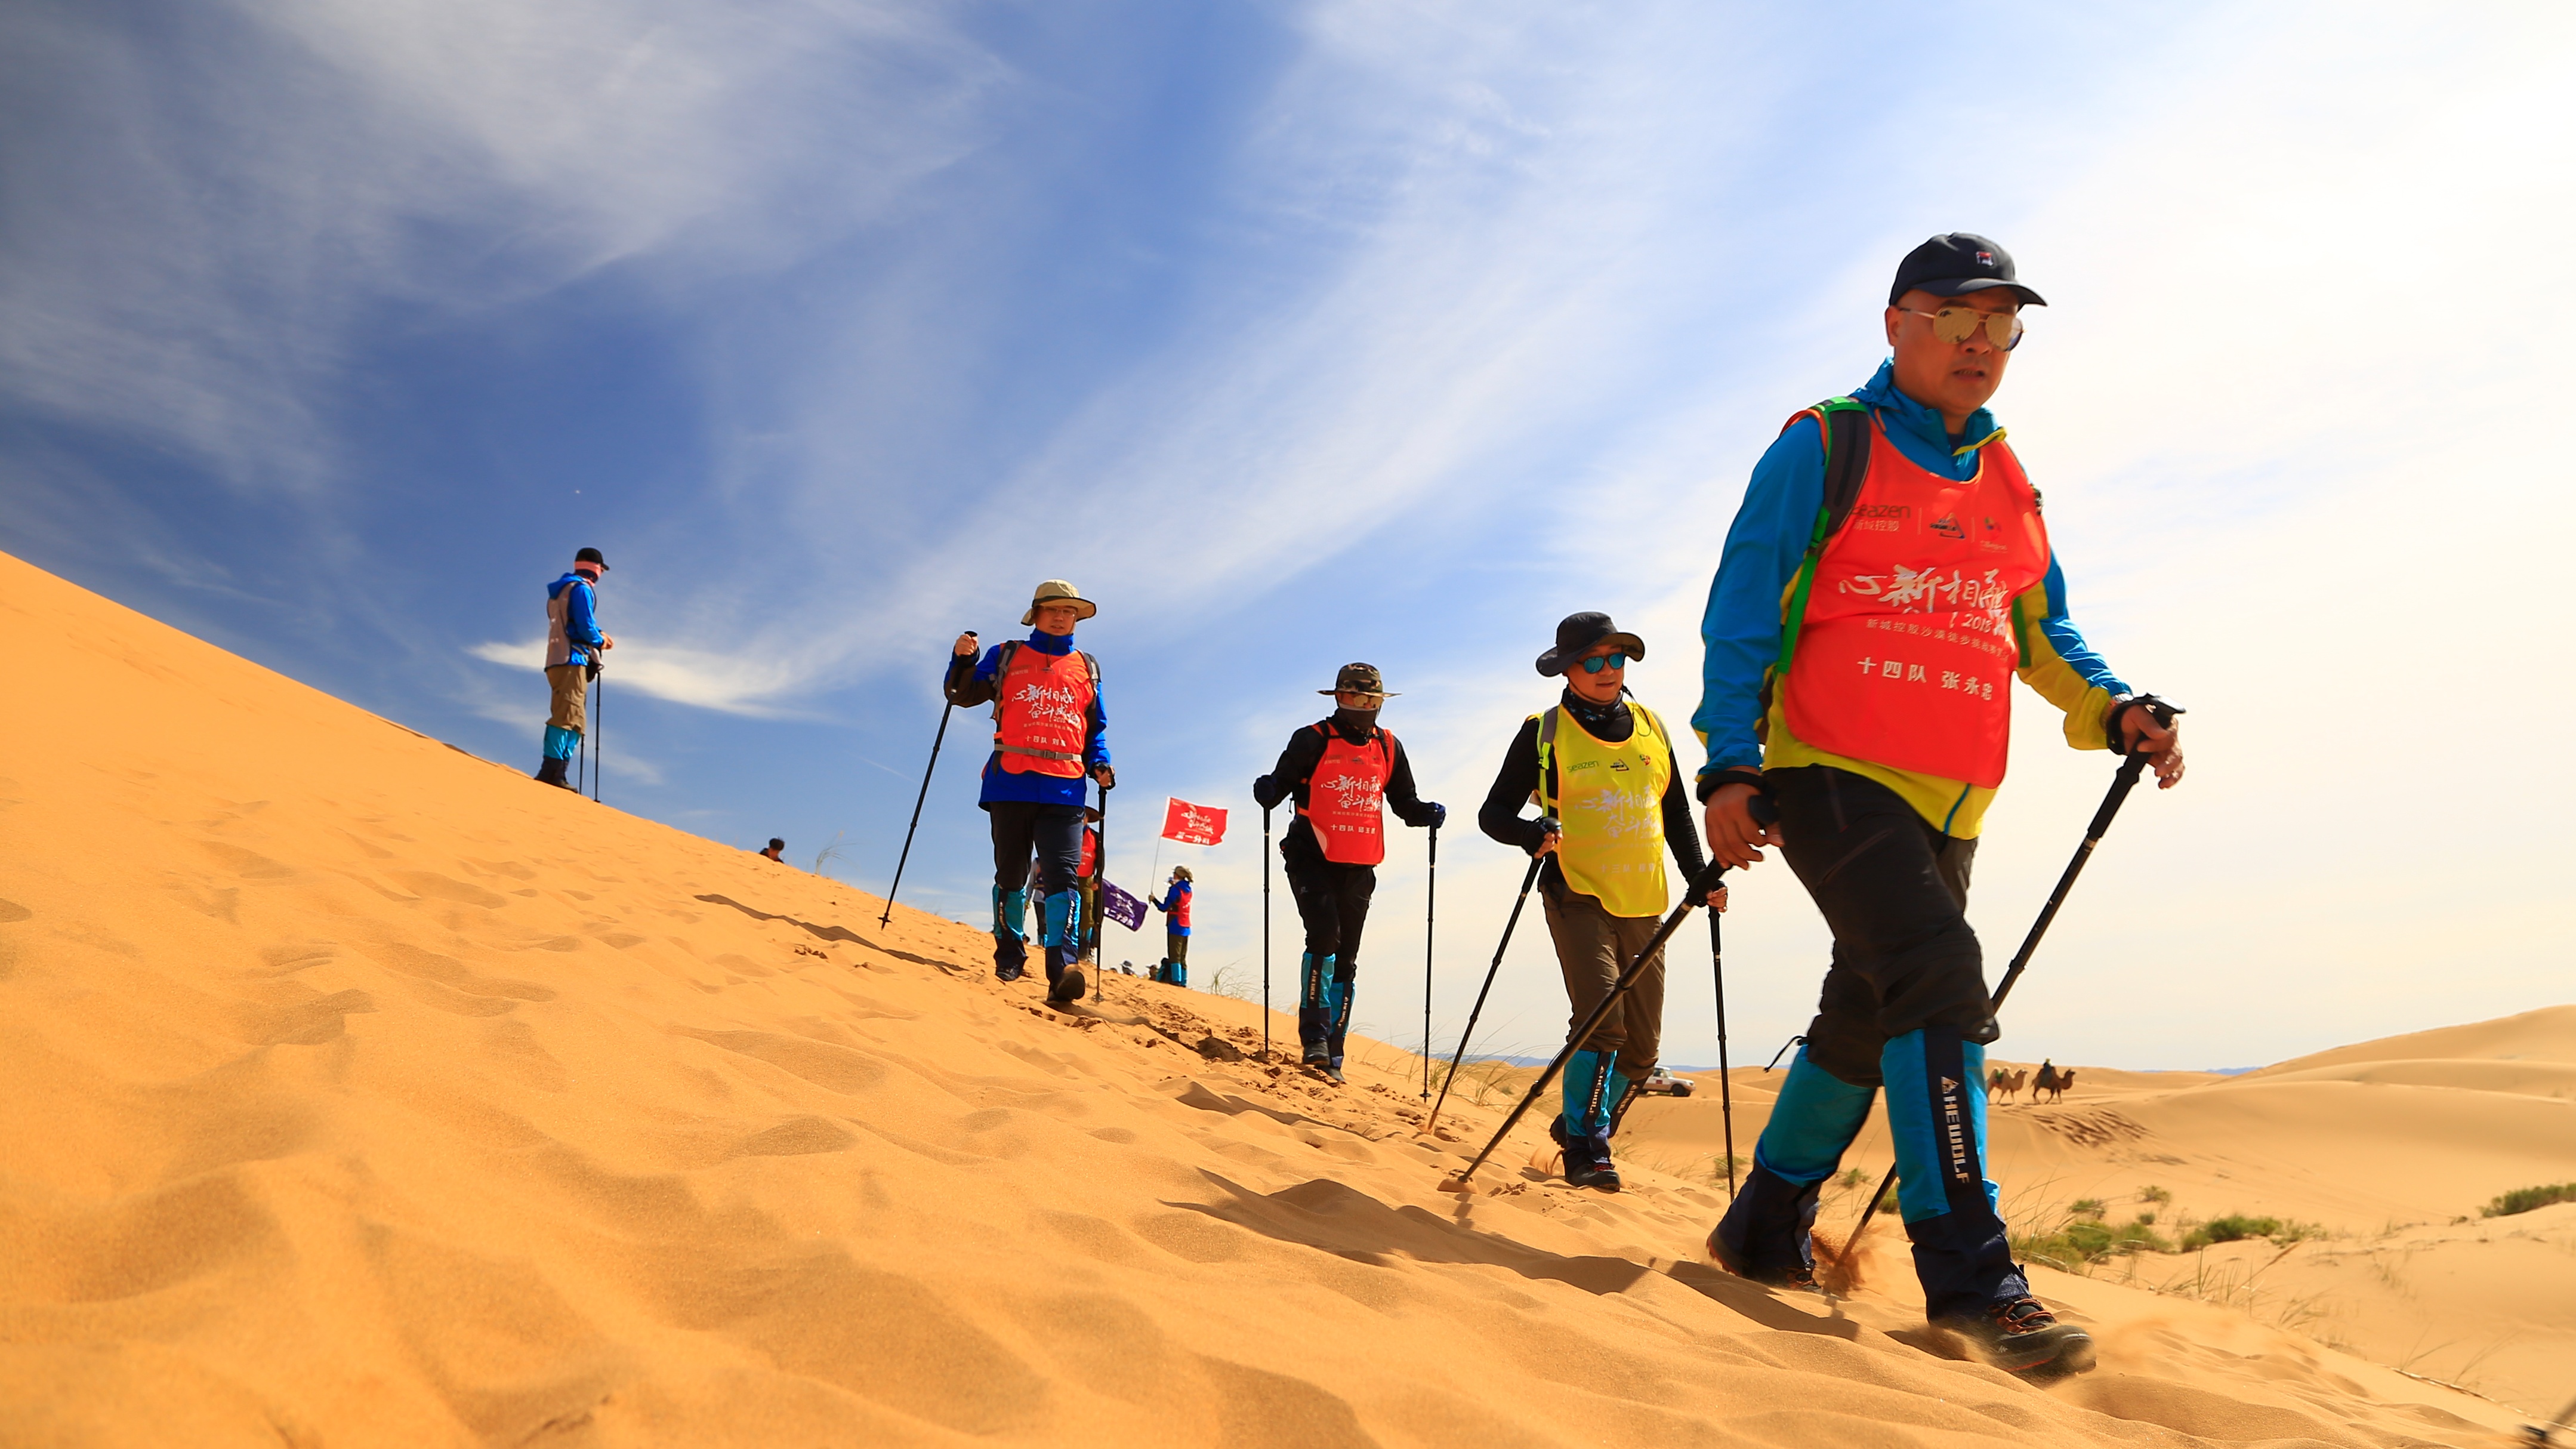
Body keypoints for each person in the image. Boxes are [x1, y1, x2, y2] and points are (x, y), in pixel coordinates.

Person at [1693, 233, 2183, 1376]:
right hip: (1828, 768)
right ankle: (1974, 1280)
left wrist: (2112, 705)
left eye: (2001, 325)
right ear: (1894, 323)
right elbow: (1742, 605)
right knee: (1939, 981)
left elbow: (2039, 628)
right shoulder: (1825, 444)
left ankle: (1764, 1222)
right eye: (1955, 317)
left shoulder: (2010, 480)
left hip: (1953, 800)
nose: (1979, 342)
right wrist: (1727, 761)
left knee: (1868, 1014)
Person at [1477, 612, 1724, 1192]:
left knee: (1642, 1051)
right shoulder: (1544, 732)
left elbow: (1676, 813)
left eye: (1617, 658)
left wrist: (1700, 877)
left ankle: (1578, 1119)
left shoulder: (1652, 728)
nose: (1609, 669)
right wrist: (1529, 832)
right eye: (1594, 660)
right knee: (1601, 1023)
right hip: (1576, 893)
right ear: (1567, 669)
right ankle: (1588, 1148)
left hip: (1645, 901)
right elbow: (1494, 815)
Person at [1251, 664, 1444, 1082]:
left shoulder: (1389, 747)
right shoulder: (1312, 739)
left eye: (1374, 700)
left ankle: (1333, 1053)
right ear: (1340, 698)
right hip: (1310, 854)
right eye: (1359, 698)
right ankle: (1314, 1039)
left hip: (1359, 864)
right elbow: (1279, 784)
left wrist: (1426, 813)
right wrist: (1266, 789)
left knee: (1347, 959)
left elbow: (1404, 803)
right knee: (1324, 936)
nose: (1368, 706)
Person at [945, 580, 1115, 1003]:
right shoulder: (1006, 654)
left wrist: (1101, 762)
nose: (1062, 617)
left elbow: (1095, 729)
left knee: (1063, 878)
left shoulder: (1086, 666)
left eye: (1070, 612)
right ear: (1036, 614)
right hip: (1011, 780)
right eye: (1054, 610)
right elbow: (961, 694)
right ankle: (1009, 951)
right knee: (1011, 873)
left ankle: (1062, 967)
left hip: (1067, 789)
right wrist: (961, 662)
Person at [533, 548, 612, 789]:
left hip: (556, 660)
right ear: (595, 568)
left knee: (574, 717)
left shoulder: (557, 594)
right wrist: (601, 640)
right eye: (601, 568)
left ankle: (558, 772)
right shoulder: (581, 589)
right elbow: (585, 625)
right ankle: (552, 773)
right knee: (568, 716)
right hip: (572, 659)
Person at [1149, 867, 1193, 985]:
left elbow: (1164, 908)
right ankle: (1184, 981)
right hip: (1186, 925)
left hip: (1175, 925)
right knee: (1183, 957)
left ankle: (1176, 981)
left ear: (1177, 875)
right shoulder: (1188, 889)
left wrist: (1154, 900)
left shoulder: (1175, 890)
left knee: (1175, 956)